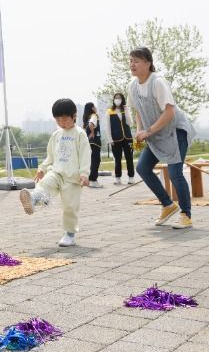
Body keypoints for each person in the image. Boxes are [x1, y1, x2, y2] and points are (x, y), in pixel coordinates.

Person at [128, 47, 196, 229]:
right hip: (156, 133)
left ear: (148, 64)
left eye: (136, 61)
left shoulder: (158, 82)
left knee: (175, 173)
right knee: (142, 167)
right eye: (131, 61)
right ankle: (167, 204)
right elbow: (138, 111)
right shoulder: (133, 86)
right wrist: (139, 130)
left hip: (175, 131)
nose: (132, 64)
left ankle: (186, 215)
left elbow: (169, 112)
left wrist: (148, 131)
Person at [19, 98, 91, 247]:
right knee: (45, 184)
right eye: (58, 119)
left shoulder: (80, 134)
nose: (61, 122)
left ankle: (70, 234)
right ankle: (32, 199)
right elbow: (51, 155)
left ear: (74, 116)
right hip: (57, 172)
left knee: (69, 207)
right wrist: (42, 168)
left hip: (73, 178)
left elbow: (85, 154)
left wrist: (84, 173)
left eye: (64, 118)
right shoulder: (56, 135)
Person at [107, 92, 135, 185]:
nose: (117, 99)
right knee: (117, 159)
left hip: (127, 138)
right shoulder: (110, 111)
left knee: (129, 158)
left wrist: (127, 110)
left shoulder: (125, 109)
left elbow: (130, 122)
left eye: (119, 98)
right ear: (114, 100)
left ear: (122, 99)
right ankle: (118, 178)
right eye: (116, 98)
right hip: (116, 139)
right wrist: (110, 139)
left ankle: (131, 177)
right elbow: (108, 127)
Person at [82, 102, 103, 188]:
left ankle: (91, 179)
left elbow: (85, 128)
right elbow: (91, 125)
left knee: (92, 161)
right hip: (95, 142)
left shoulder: (86, 118)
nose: (95, 107)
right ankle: (93, 180)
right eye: (94, 106)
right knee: (96, 160)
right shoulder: (94, 116)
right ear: (92, 108)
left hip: (89, 142)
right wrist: (93, 133)